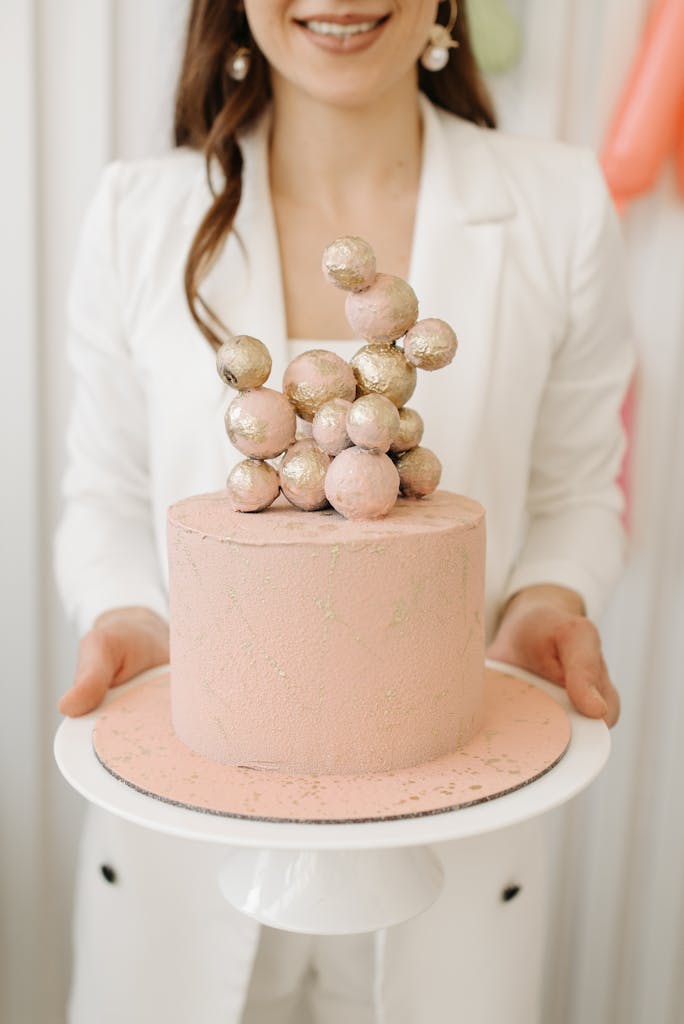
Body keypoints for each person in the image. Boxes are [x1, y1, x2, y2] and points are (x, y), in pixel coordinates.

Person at [55, 1, 633, 1022]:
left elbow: (579, 487)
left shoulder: (559, 203)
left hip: (458, 852)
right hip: (181, 852)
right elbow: (101, 491)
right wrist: (128, 614)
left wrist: (548, 597)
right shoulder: (133, 213)